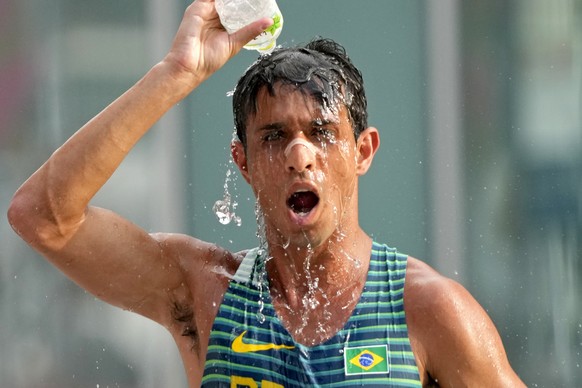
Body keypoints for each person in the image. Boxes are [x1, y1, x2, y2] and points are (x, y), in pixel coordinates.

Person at [7, 0, 525, 386]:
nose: (300, 156)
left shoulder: (428, 310)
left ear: (362, 152)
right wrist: (175, 74)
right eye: (274, 137)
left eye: (321, 133)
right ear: (245, 163)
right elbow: (44, 217)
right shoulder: (205, 294)